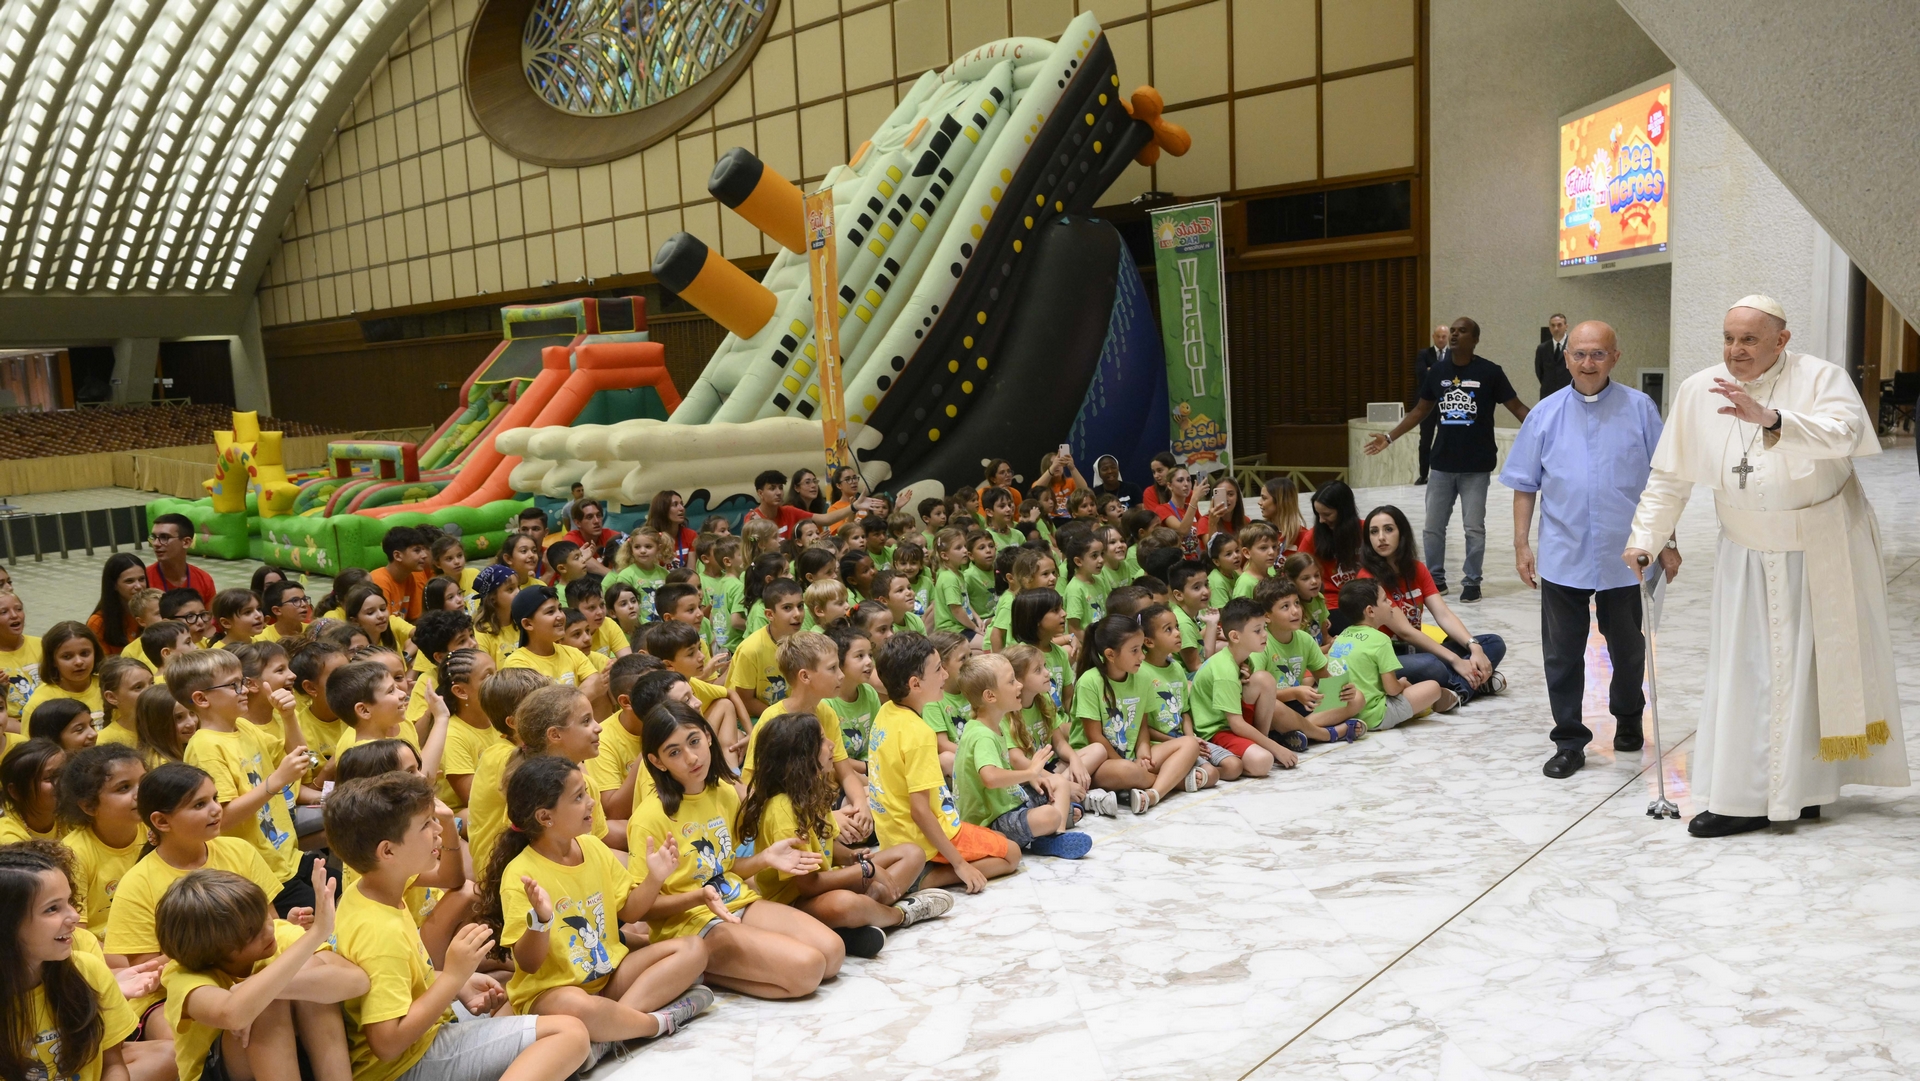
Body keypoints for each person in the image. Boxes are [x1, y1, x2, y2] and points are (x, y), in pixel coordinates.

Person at [1625, 295, 1908, 837]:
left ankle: (1804, 790)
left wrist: (1775, 419)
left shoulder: (1821, 378)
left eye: (1750, 340)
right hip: (1746, 554)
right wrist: (1645, 537)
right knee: (1750, 672)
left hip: (1821, 549)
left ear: (1782, 340)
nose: (1736, 351)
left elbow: (1847, 434)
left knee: (1812, 675)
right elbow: (1670, 477)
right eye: (1729, 338)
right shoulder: (1697, 390)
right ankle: (1745, 795)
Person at [324, 771, 592, 1081]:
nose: (438, 829)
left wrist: (459, 983)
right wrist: (453, 977)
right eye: (426, 825)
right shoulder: (379, 930)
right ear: (387, 851)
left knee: (537, 1026)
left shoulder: (371, 888)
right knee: (569, 1033)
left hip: (426, 1041)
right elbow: (387, 1043)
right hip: (407, 1064)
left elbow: (399, 983)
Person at [1502, 320, 1676, 779]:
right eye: (1579, 354)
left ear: (1615, 357)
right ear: (1566, 358)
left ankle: (1627, 717)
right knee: (1561, 653)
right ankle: (1569, 740)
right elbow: (1524, 485)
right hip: (1563, 554)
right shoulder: (1544, 414)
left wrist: (1667, 543)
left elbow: (1664, 484)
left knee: (1627, 648)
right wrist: (1521, 544)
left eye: (1598, 354)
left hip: (1627, 556)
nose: (1587, 363)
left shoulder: (1640, 409)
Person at [475, 754, 712, 1042]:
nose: (591, 802)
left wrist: (655, 877)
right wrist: (541, 920)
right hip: (554, 994)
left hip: (609, 976)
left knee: (694, 949)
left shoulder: (592, 847)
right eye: (578, 798)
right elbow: (528, 964)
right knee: (579, 1005)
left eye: (586, 793)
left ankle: (614, 1028)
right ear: (545, 817)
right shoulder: (521, 874)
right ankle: (650, 1024)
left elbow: (631, 912)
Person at [1364, 316, 1530, 601]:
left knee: (1474, 528)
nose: (1454, 335)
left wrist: (1549, 430)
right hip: (1441, 464)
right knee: (1432, 527)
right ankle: (1436, 579)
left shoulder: (1490, 372)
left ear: (1475, 339)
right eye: (1452, 330)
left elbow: (1517, 408)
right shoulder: (1438, 371)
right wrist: (1389, 437)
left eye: (1462, 331)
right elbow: (1419, 411)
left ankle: (1472, 581)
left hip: (1476, 466)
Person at [0, 844, 140, 1081]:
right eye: (52, 908)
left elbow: (112, 1065)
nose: (74, 917)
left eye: (69, 901)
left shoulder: (88, 970)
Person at [745, 469, 880, 541]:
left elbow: (825, 519)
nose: (779, 492)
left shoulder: (789, 510)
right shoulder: (753, 519)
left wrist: (854, 506)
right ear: (760, 493)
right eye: (772, 488)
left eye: (780, 488)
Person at [146, 513, 217, 607]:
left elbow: (210, 619)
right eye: (154, 537)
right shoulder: (143, 580)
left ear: (186, 542)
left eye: (164, 537)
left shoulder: (204, 580)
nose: (156, 543)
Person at [88, 553, 147, 656]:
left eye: (142, 579)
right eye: (129, 581)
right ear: (114, 585)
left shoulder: (153, 611)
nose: (138, 586)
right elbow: (102, 665)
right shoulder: (98, 623)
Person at [1412, 323, 1449, 484]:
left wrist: (1432, 370)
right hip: (1426, 403)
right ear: (1433, 337)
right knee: (1425, 439)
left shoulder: (1453, 354)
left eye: (1444, 336)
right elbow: (1421, 374)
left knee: (1445, 438)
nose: (1441, 339)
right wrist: (1441, 371)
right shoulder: (1424, 353)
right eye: (1438, 336)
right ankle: (1423, 474)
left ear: (1447, 338)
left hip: (1446, 403)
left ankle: (1441, 472)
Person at [559, 498, 620, 575]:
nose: (596, 521)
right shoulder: (571, 539)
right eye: (589, 517)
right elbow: (582, 560)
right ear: (578, 523)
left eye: (598, 515)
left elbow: (631, 545)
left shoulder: (610, 534)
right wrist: (614, 577)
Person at [1535, 312, 1571, 400]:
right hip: (1548, 394)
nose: (1556, 328)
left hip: (1569, 393)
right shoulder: (1542, 348)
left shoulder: (1574, 346)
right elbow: (1539, 372)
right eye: (1553, 325)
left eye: (1559, 325)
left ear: (1566, 326)